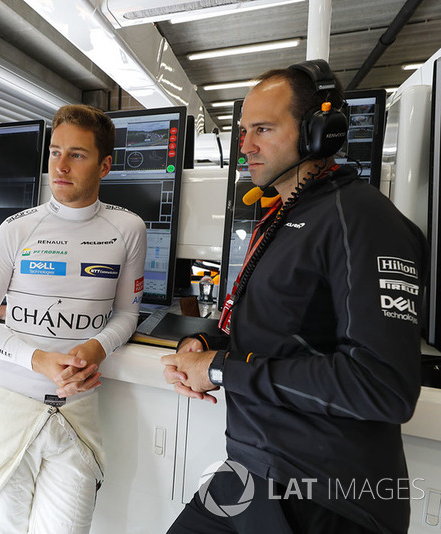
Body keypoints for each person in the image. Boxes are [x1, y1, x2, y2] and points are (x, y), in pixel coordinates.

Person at [162, 60, 427, 534]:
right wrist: (204, 349)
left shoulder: (363, 220)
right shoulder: (285, 216)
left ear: (318, 132)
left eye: (262, 128)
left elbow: (382, 386)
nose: (245, 146)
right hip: (252, 469)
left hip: (327, 494)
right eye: (243, 131)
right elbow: (281, 336)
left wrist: (222, 370)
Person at [0, 104, 147, 533]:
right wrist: (36, 358)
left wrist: (97, 347)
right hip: (7, 408)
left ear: (105, 165)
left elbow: (128, 313)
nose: (60, 165)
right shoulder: (16, 229)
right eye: (55, 151)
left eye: (77, 154)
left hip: (77, 415)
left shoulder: (128, 228)